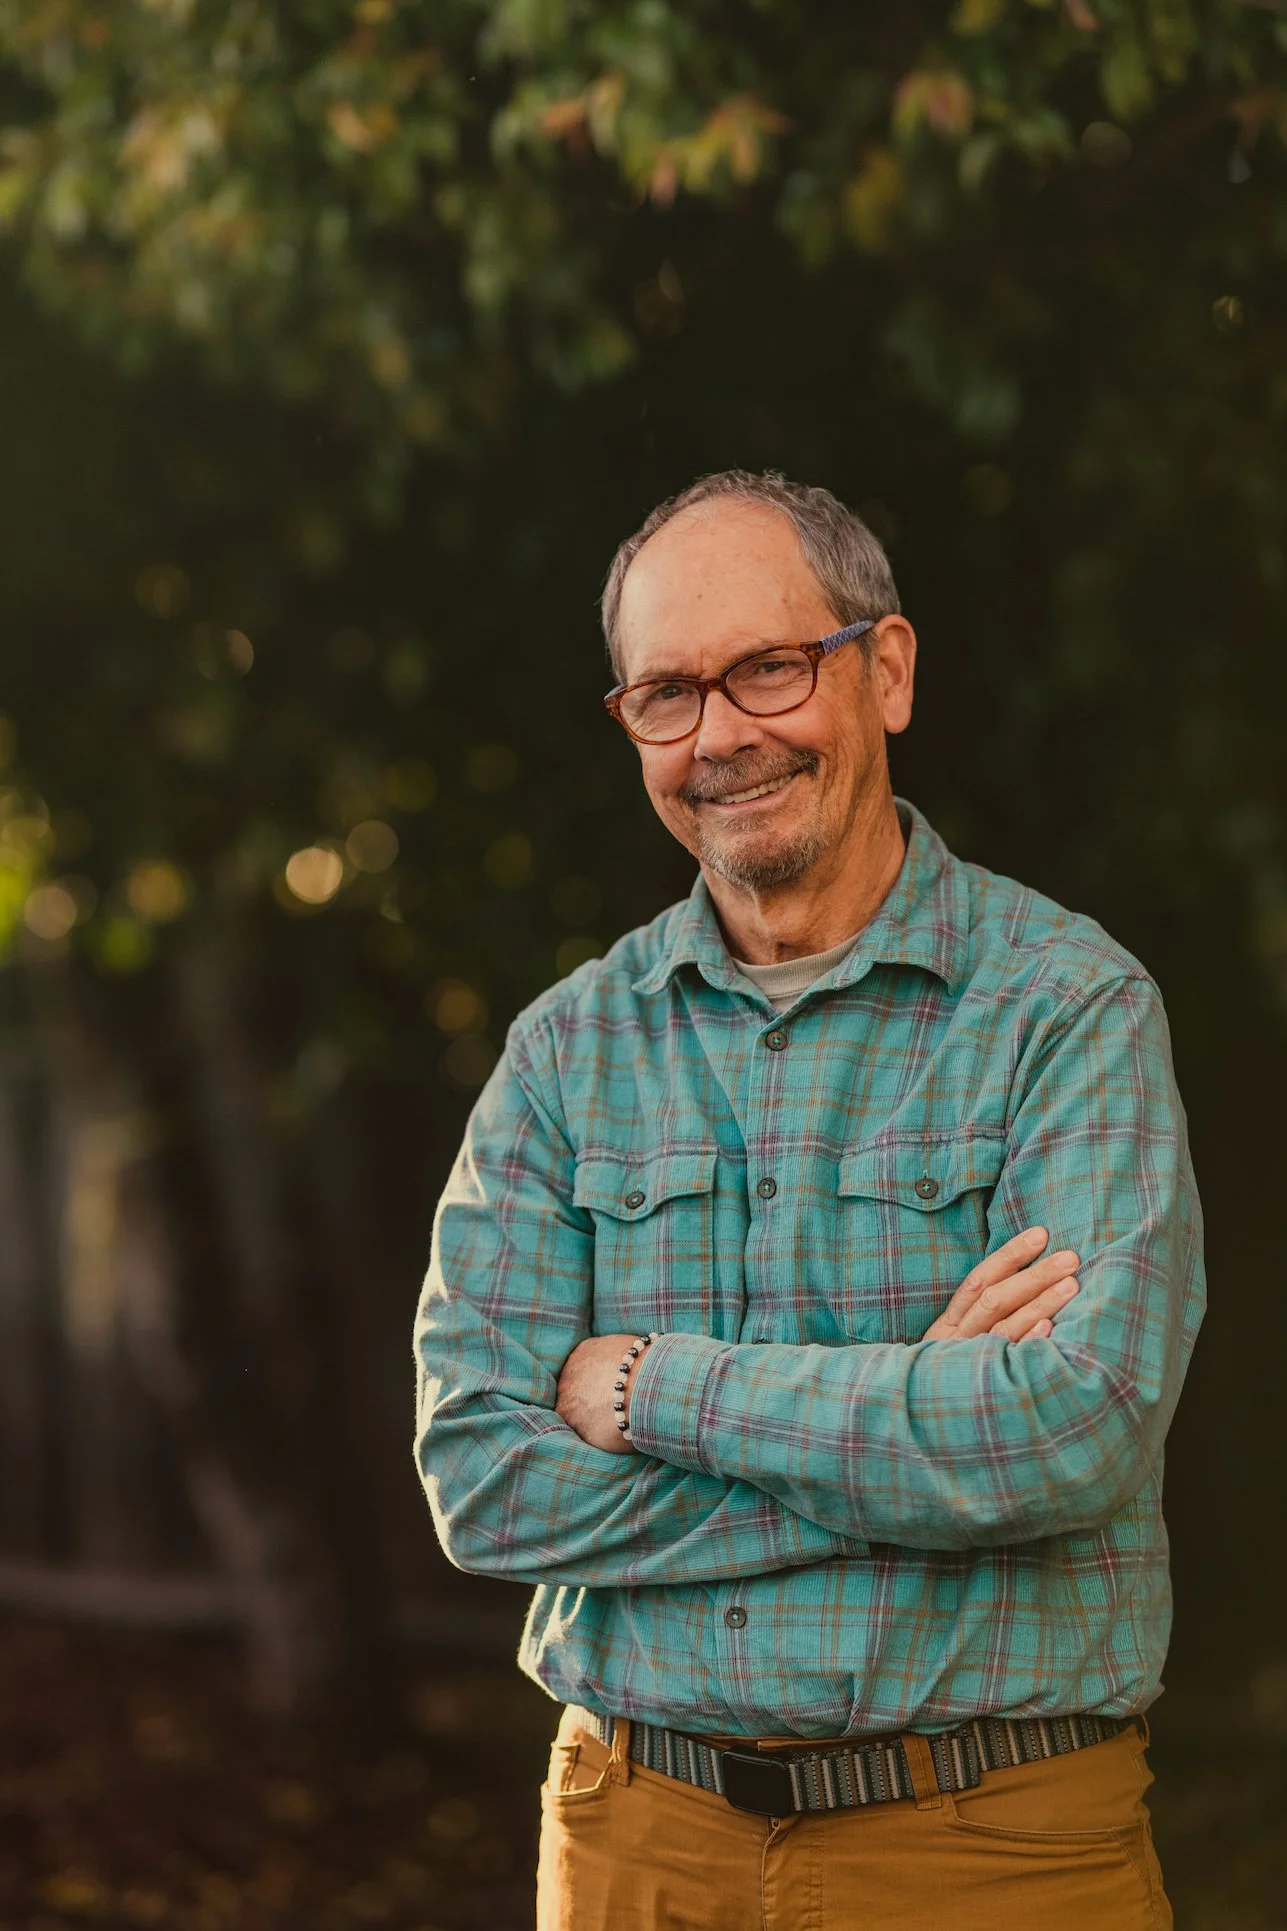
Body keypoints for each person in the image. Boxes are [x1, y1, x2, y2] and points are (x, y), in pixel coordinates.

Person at [413, 470, 1204, 1929]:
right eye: (666, 693)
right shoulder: (564, 1051)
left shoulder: (1064, 1008)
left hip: (993, 1848)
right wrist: (913, 1432)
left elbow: (1074, 1428)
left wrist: (664, 1389)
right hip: (630, 1847)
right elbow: (481, 1475)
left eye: (768, 668)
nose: (720, 734)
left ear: (883, 669)